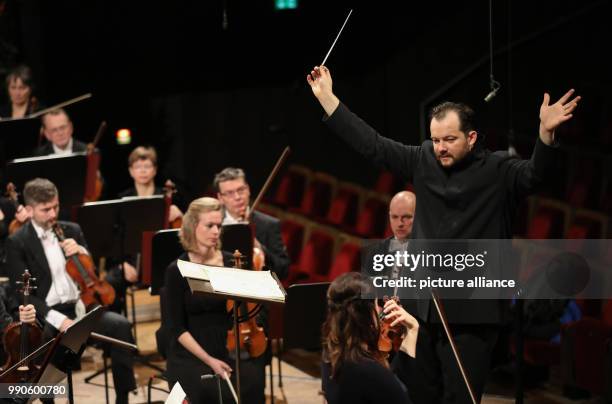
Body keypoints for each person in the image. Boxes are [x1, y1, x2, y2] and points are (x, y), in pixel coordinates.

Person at [307, 65, 580, 403]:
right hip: (420, 308)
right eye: (435, 139)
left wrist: (545, 135)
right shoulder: (422, 159)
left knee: (459, 398)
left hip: (471, 315)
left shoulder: (499, 170)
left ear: (472, 137)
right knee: (417, 395)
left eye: (449, 139)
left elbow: (536, 176)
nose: (440, 147)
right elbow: (373, 145)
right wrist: (329, 100)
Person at [5, 178, 136, 404]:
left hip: (80, 307)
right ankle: (49, 401)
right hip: (47, 314)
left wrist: (82, 251)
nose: (53, 214)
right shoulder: (18, 242)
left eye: (55, 207)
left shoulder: (72, 229)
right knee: (40, 340)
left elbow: (91, 275)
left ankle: (122, 398)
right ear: (28, 209)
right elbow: (24, 296)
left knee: (120, 326)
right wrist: (61, 321)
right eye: (45, 210)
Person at [164, 197, 265, 403]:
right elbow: (176, 328)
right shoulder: (177, 270)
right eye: (209, 225)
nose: (216, 231)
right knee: (213, 392)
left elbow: (247, 312)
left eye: (219, 225)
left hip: (228, 347)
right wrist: (209, 360)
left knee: (253, 383)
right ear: (192, 226)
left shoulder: (232, 261)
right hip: (191, 355)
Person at [105, 146, 183, 311]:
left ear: (154, 170)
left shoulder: (166, 197)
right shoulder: (123, 199)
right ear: (131, 171)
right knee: (110, 284)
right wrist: (123, 264)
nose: (143, 171)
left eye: (147, 167)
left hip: (161, 262)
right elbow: (114, 238)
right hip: (131, 263)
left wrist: (180, 215)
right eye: (138, 167)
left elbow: (181, 236)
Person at [321, 272, 418, 404]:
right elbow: (402, 395)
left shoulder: (330, 354)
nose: (381, 310)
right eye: (377, 304)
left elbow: (391, 386)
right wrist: (413, 329)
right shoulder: (369, 371)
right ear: (366, 313)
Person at [214, 167, 290, 280]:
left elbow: (284, 270)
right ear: (220, 198)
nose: (237, 197)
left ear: (248, 189)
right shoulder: (214, 223)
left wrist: (260, 248)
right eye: (230, 193)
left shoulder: (269, 224)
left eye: (241, 190)